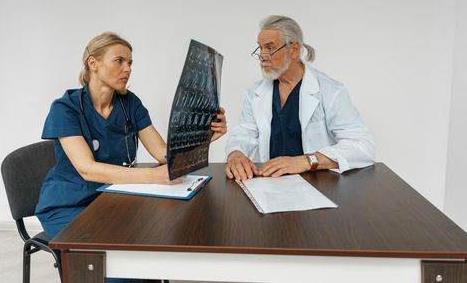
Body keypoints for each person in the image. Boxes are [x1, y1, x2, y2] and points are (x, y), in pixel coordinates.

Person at [35, 32, 227, 282]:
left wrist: (205, 135)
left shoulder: (129, 103)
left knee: (144, 260)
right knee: (116, 270)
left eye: (130, 63)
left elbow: (163, 153)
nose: (127, 69)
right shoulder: (65, 108)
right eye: (119, 61)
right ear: (93, 63)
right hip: (70, 204)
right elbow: (87, 169)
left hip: (114, 200)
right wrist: (152, 176)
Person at [225, 15, 374, 181]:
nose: (262, 55)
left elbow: (362, 147)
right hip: (270, 184)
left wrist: (307, 161)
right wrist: (235, 154)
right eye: (260, 48)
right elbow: (243, 134)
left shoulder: (330, 90)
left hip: (318, 184)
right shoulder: (255, 93)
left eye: (269, 47)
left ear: (294, 49)